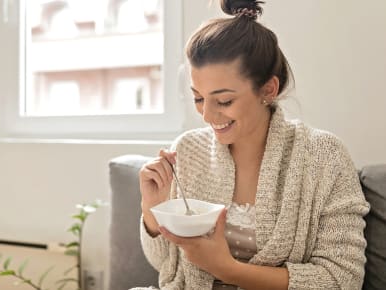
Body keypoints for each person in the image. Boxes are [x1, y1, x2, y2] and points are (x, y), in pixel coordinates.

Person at [136, 0, 370, 289]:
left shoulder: (324, 157)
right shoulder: (188, 151)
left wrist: (227, 269)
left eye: (224, 101)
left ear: (268, 89)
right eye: (198, 98)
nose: (207, 115)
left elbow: (341, 279)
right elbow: (166, 265)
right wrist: (152, 209)